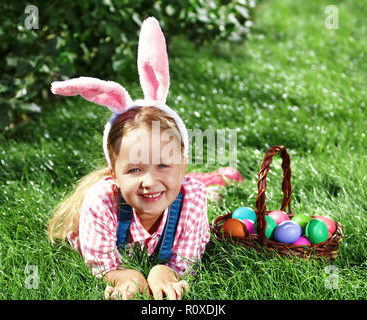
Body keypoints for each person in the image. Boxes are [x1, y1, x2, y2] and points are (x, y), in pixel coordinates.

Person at [47, 17, 243, 300]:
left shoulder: (192, 198)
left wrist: (169, 271)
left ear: (183, 164)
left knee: (199, 191)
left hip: (187, 186)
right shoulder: (101, 202)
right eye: (135, 169)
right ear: (113, 172)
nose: (149, 182)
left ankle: (212, 180)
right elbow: (100, 261)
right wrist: (125, 275)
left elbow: (188, 254)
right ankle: (207, 176)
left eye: (163, 164)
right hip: (155, 190)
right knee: (171, 186)